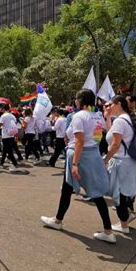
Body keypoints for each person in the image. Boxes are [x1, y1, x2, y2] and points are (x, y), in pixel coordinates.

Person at [41, 89, 115, 243]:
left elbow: (79, 141)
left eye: (76, 98)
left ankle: (59, 221)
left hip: (80, 155)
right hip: (92, 153)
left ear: (80, 100)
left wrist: (75, 163)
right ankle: (59, 220)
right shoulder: (98, 115)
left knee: (82, 190)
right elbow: (97, 136)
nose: (75, 101)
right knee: (81, 190)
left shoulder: (79, 116)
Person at [103, 96, 136, 234]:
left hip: (120, 162)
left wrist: (106, 159)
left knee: (118, 195)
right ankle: (125, 220)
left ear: (118, 104)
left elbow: (115, 144)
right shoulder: (126, 118)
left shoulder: (120, 121)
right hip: (127, 161)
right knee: (122, 194)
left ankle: (124, 224)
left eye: (110, 104)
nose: (108, 107)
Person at [0, 104, 19, 171]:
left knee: (9, 152)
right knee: (5, 151)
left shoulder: (3, 116)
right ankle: (1, 163)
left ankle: (15, 164)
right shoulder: (13, 116)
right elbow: (15, 126)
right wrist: (16, 135)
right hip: (11, 135)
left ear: (3, 109)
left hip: (6, 136)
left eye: (0, 108)